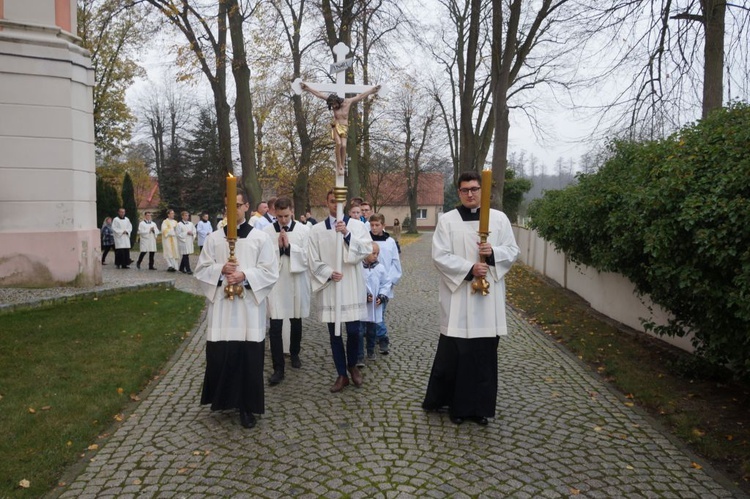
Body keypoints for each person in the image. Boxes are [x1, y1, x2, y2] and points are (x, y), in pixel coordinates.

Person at [422, 171, 519, 426]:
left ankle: (480, 409)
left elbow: (512, 250)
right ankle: (457, 407)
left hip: (488, 303)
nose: (470, 194)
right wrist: (469, 269)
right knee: (458, 355)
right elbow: (439, 256)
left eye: (474, 189)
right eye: (464, 190)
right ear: (459, 192)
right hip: (459, 299)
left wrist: (493, 252)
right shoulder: (448, 221)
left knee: (483, 356)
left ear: (482, 190)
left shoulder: (499, 219)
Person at [194, 191, 279, 429]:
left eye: (237, 206)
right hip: (222, 308)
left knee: (247, 356)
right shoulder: (213, 239)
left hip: (248, 309)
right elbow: (201, 270)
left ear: (247, 207)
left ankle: (246, 407)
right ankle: (225, 400)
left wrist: (244, 276)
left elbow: (271, 272)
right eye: (227, 207)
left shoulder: (260, 239)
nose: (232, 211)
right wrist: (220, 271)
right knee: (223, 354)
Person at [307, 191, 372, 392]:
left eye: (339, 201)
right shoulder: (317, 230)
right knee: (334, 334)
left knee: (353, 331)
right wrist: (327, 272)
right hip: (331, 285)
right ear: (327, 203)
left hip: (351, 283)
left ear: (345, 203)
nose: (336, 205)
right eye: (332, 201)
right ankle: (341, 374)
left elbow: (366, 251)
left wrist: (346, 234)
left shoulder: (357, 226)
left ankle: (352, 365)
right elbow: (312, 259)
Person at [262, 196, 312, 385]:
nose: (283, 220)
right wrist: (279, 248)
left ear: (291, 210)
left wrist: (289, 247)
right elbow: (264, 259)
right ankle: (278, 367)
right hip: (275, 283)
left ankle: (295, 352)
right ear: (274, 212)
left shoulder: (304, 230)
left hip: (295, 280)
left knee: (295, 318)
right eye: (279, 216)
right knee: (275, 324)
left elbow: (308, 256)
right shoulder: (266, 232)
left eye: (286, 215)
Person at [300, 82, 381, 176]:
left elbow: (360, 96)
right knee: (338, 144)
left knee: (344, 146)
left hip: (345, 127)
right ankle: (339, 165)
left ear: (337, 101)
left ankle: (342, 164)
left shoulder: (348, 102)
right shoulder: (331, 101)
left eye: (334, 105)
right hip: (336, 126)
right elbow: (319, 94)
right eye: (332, 106)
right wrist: (307, 88)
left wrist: (372, 90)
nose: (333, 107)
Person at [368, 213, 402, 355]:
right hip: (369, 282)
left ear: (383, 226)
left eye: (377, 225)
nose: (374, 228)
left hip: (384, 284)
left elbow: (395, 263)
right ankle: (372, 337)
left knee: (379, 313)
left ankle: (382, 338)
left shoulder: (390, 242)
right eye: (372, 225)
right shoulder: (366, 240)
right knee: (369, 313)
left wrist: (390, 280)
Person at [358, 242, 390, 367]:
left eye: (377, 253)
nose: (375, 256)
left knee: (372, 331)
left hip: (374, 306)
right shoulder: (359, 268)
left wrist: (381, 296)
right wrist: (364, 296)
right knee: (360, 331)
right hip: (362, 305)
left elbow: (386, 284)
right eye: (373, 253)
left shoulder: (380, 268)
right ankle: (359, 356)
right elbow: (357, 284)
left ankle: (370, 351)